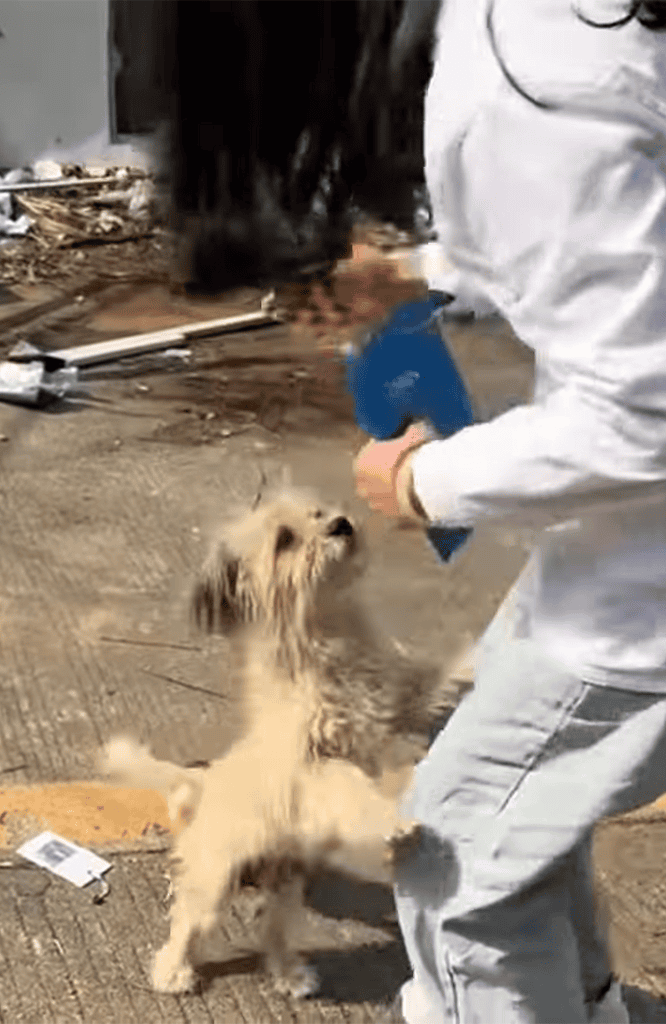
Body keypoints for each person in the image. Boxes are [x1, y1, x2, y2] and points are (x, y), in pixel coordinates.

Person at [354, 1, 666, 1022]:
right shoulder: (592, 35)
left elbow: (639, 414)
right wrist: (424, 272)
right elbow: (614, 231)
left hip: (639, 584)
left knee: (456, 860)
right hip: (616, 547)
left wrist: (425, 482)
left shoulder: (533, 60)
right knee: (525, 812)